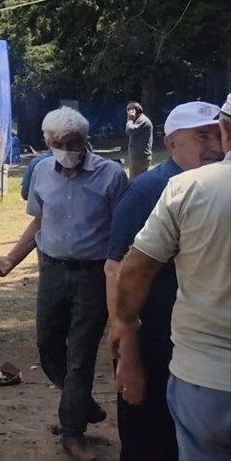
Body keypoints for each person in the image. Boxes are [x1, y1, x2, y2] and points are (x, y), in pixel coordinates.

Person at [0, 107, 129, 461]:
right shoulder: (42, 171)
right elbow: (39, 222)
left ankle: (72, 432)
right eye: (58, 143)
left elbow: (123, 232)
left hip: (93, 275)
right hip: (52, 270)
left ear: (85, 140)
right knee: (47, 345)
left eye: (73, 142)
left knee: (80, 356)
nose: (66, 149)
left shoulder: (111, 176)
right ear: (47, 143)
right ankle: (80, 402)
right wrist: (10, 260)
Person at [108, 101, 225, 461]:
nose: (214, 145)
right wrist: (127, 349)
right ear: (171, 143)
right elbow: (116, 268)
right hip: (152, 338)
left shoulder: (213, 187)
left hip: (191, 346)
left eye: (218, 134)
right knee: (148, 435)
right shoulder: (152, 189)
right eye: (201, 136)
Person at [125, 102, 154, 179]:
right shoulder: (139, 120)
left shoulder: (143, 120)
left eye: (129, 110)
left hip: (140, 158)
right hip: (138, 157)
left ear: (135, 111)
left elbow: (129, 130)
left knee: (134, 181)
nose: (127, 113)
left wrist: (130, 119)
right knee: (138, 180)